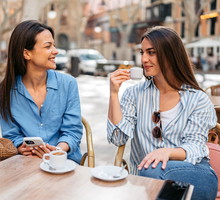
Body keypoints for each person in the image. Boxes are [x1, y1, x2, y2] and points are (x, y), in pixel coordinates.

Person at [107, 26, 218, 200]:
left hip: (192, 174)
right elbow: (118, 138)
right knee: (151, 171)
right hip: (148, 179)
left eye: (151, 52)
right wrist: (114, 94)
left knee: (153, 170)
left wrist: (167, 152)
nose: (144, 59)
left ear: (170, 54)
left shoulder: (197, 99)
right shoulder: (134, 94)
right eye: (142, 52)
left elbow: (196, 146)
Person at [0, 20, 83, 164]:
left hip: (65, 162)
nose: (55, 51)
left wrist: (58, 151)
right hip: (25, 164)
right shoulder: (5, 91)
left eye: (54, 45)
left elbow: (73, 132)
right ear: (27, 53)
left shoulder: (68, 84)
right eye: (48, 46)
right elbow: (11, 135)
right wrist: (20, 147)